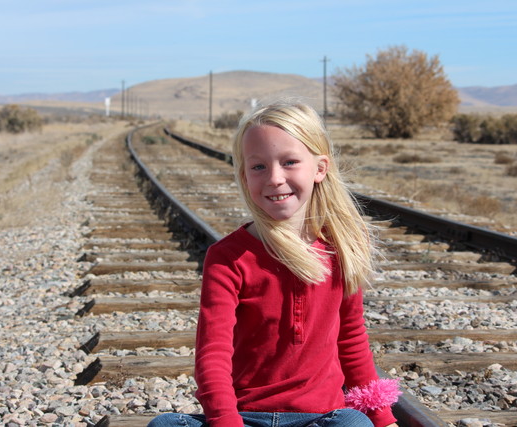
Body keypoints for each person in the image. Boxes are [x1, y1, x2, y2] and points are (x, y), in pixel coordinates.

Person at [148, 101, 400, 427]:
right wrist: (227, 423)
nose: (275, 178)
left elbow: (351, 341)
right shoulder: (228, 257)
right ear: (244, 176)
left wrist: (383, 418)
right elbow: (212, 357)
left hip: (321, 419)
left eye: (290, 162)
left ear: (320, 168)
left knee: (355, 424)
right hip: (244, 417)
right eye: (258, 167)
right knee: (165, 425)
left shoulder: (344, 247)